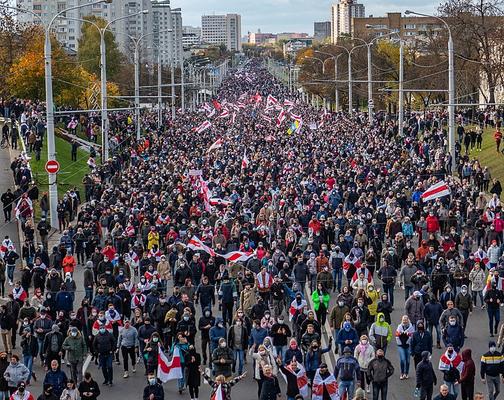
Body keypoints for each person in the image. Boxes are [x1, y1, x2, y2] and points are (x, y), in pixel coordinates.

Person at [395, 315, 414, 380]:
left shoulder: (411, 327)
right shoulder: (399, 327)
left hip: (408, 345)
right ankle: (402, 373)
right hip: (401, 345)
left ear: (408, 320)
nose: (405, 321)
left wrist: (408, 337)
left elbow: (412, 336)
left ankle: (406, 373)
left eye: (406, 320)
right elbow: (397, 336)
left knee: (408, 360)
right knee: (403, 359)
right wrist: (400, 343)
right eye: (403, 320)